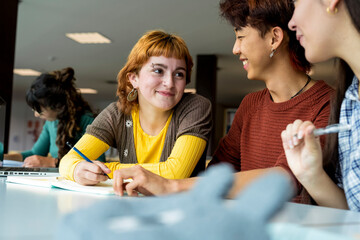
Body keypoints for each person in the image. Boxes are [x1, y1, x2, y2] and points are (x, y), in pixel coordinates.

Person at [112, 0, 334, 200]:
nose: (235, 49)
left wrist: (171, 186)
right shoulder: (251, 104)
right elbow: (217, 172)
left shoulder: (328, 103)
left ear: (274, 38)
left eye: (240, 36)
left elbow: (287, 177)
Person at [59, 30, 212, 185]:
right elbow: (67, 162)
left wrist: (106, 170)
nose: (170, 83)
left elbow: (176, 172)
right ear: (134, 78)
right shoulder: (116, 114)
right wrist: (77, 169)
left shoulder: (195, 106)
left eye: (179, 74)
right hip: (130, 204)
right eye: (158, 71)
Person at [281, 0, 360, 211]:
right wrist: (311, 175)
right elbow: (353, 216)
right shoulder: (350, 101)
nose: (291, 23)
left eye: (296, 3)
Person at [5, 67, 105, 167]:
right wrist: (3, 157)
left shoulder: (87, 121)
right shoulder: (51, 122)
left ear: (58, 106)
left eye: (40, 110)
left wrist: (53, 162)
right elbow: (35, 154)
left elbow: (98, 164)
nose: (36, 114)